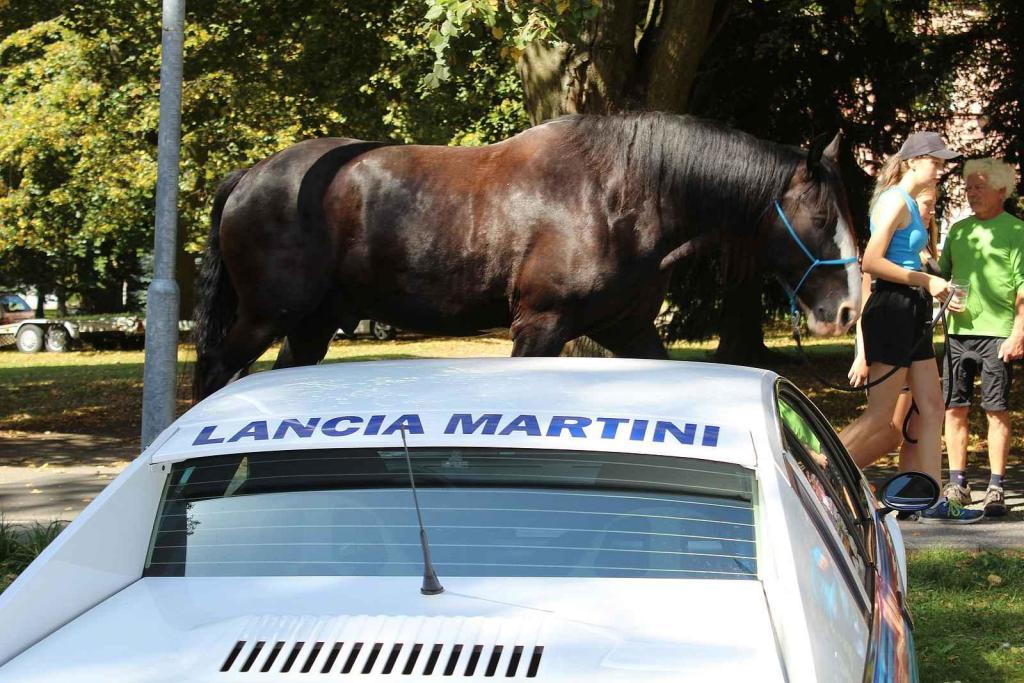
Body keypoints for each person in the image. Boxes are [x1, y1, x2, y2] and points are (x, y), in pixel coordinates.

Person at [839, 131, 983, 523]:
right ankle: (815, 470)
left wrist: (934, 288)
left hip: (910, 309)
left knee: (933, 406)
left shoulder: (907, 204)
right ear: (912, 162)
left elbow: (906, 261)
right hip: (891, 309)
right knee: (880, 419)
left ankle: (932, 500)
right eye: (935, 161)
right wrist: (925, 281)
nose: (941, 169)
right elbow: (870, 262)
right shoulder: (893, 201)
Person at [938, 157, 1024, 518]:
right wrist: (942, 295)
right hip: (958, 335)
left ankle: (995, 487)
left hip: (998, 336)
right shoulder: (958, 231)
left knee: (995, 409)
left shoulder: (1017, 231)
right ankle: (957, 482)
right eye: (968, 186)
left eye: (979, 186)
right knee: (954, 408)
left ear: (1002, 191)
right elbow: (940, 279)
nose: (971, 192)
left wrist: (1019, 333)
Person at [847, 186, 941, 475]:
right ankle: (820, 468)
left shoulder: (923, 253)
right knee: (884, 425)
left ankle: (926, 495)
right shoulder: (889, 254)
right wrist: (862, 354)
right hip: (892, 325)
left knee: (927, 413)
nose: (930, 211)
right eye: (925, 204)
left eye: (933, 206)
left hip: (915, 328)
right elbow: (866, 303)